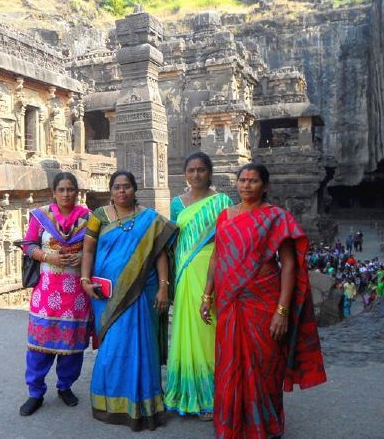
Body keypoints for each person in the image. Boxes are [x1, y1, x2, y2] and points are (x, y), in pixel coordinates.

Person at [200, 163, 326, 439]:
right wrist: (207, 295)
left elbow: (289, 265)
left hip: (264, 302)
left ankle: (266, 425)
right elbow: (217, 257)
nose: (246, 185)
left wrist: (282, 310)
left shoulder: (276, 217)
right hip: (230, 301)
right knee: (228, 363)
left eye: (253, 181)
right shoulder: (225, 217)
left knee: (265, 364)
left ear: (265, 186)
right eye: (242, 180)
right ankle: (231, 423)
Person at [80, 170, 177, 431]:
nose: (121, 191)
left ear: (135, 189)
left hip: (143, 291)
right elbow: (88, 250)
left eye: (126, 187)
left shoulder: (150, 219)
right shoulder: (98, 217)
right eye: (117, 187)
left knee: (141, 346)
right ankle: (109, 403)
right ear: (111, 191)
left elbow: (160, 256)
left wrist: (164, 288)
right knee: (111, 347)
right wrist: (85, 280)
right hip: (106, 294)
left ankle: (142, 405)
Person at [164, 152, 233, 420]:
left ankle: (212, 396)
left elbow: (227, 242)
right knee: (185, 330)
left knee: (210, 331)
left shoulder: (223, 202)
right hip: (184, 272)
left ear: (209, 172)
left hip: (213, 271)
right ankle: (187, 392)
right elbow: (172, 242)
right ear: (185, 174)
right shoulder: (177, 204)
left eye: (201, 170)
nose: (196, 175)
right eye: (191, 170)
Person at [19, 172, 92, 416]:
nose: (66, 194)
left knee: (72, 344)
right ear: (54, 192)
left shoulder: (88, 218)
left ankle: (65, 386)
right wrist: (48, 256)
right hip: (47, 289)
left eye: (70, 189)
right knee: (39, 345)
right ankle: (35, 392)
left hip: (76, 293)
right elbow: (28, 245)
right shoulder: (40, 217)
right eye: (61, 189)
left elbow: (97, 249)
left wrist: (81, 257)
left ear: (77, 191)